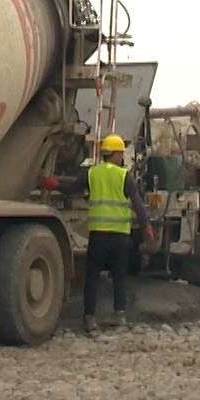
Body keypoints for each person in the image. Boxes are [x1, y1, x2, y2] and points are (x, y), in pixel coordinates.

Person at [73, 135, 149, 335]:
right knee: (119, 276)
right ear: (115, 154)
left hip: (98, 235)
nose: (122, 157)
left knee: (92, 276)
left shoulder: (92, 173)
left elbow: (71, 187)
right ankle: (119, 315)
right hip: (119, 237)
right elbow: (138, 204)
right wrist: (146, 226)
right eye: (121, 153)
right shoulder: (124, 176)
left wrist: (51, 183)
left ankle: (90, 318)